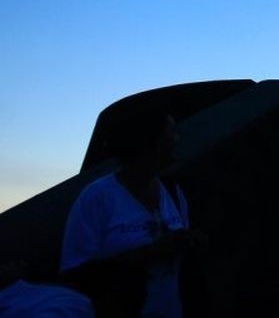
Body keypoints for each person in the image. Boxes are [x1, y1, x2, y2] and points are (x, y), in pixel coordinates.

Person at [60, 108, 201, 318]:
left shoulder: (173, 191)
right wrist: (149, 253)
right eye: (171, 132)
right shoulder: (97, 198)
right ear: (148, 142)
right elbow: (74, 276)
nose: (177, 139)